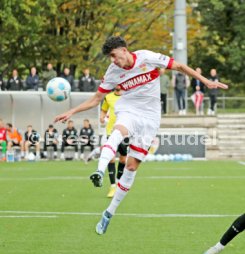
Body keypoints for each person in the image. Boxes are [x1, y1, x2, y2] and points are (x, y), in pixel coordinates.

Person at [54, 36, 228, 235]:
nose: (113, 60)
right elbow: (96, 99)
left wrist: (206, 81)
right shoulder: (112, 72)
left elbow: (178, 66)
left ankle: (109, 213)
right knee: (118, 131)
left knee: (131, 166)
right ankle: (100, 170)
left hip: (151, 117)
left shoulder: (147, 57)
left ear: (124, 50)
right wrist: (71, 112)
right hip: (128, 109)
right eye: (110, 58)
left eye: (113, 55)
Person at [100, 86, 128, 198]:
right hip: (110, 131)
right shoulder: (108, 97)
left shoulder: (127, 96)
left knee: (123, 159)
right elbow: (104, 110)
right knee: (111, 158)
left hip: (124, 131)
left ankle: (118, 183)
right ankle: (112, 186)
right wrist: (102, 117)